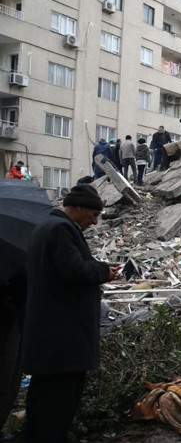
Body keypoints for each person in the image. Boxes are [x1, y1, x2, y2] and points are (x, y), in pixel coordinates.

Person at [22, 185, 116, 442]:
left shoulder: (45, 227)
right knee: (59, 401)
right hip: (63, 336)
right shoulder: (62, 230)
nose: (95, 222)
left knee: (43, 397)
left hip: (49, 333)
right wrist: (103, 271)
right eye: (93, 214)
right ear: (77, 208)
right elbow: (75, 270)